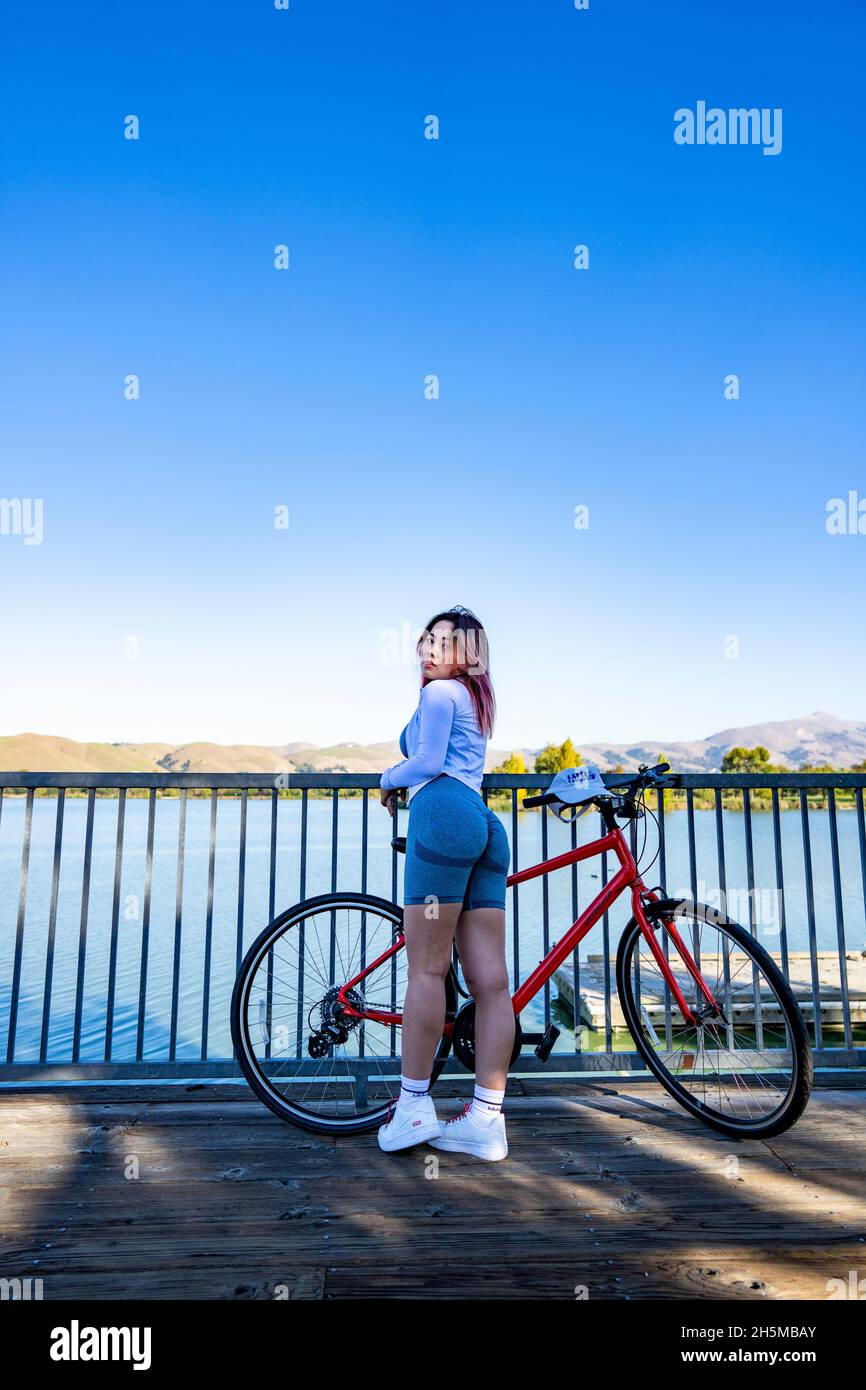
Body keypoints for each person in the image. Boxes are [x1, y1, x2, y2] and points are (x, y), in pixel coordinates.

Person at [377, 605, 514, 1161]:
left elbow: (428, 761)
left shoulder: (439, 696)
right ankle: (485, 1120)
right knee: (492, 985)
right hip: (484, 824)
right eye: (427, 640)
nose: (429, 649)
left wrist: (385, 779)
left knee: (427, 970)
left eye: (445, 642)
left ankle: (413, 1107)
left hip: (443, 816)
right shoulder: (478, 700)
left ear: (468, 652)